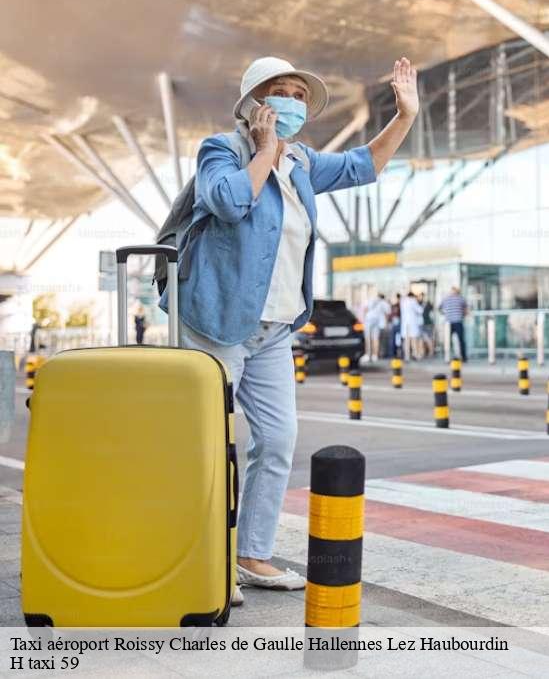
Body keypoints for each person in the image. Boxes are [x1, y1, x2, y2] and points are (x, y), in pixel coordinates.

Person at [159, 55, 419, 606]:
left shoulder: (302, 163)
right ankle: (201, 561)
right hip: (216, 322)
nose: (292, 102)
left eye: (300, 94)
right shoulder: (221, 150)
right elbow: (228, 203)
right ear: (254, 102)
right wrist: (261, 151)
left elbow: (362, 166)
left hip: (275, 329)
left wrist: (405, 116)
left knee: (277, 440)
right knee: (206, 444)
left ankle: (250, 554)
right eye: (280, 91)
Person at [439, 286, 468, 362]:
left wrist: (445, 314)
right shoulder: (460, 298)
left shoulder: (446, 299)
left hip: (449, 322)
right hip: (457, 321)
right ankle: (463, 357)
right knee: (460, 340)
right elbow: (465, 309)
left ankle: (447, 357)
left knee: (448, 341)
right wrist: (462, 315)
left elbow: (439, 308)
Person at [362, 293, 390, 362]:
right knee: (375, 339)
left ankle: (368, 354)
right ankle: (375, 355)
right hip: (377, 321)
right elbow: (387, 313)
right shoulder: (382, 302)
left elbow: (365, 310)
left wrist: (364, 319)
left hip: (368, 320)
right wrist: (386, 323)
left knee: (368, 338)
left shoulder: (369, 300)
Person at [400, 292, 423, 360]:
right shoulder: (413, 301)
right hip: (412, 323)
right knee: (413, 339)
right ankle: (415, 354)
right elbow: (420, 310)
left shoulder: (403, 301)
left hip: (405, 323)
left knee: (406, 340)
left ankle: (406, 355)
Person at [418, 293, 434, 357]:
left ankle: (430, 352)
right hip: (423, 324)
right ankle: (424, 352)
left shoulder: (428, 305)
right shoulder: (420, 304)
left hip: (427, 324)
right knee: (422, 339)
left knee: (428, 339)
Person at [389, 293, 402, 357]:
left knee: (397, 339)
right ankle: (396, 353)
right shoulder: (397, 305)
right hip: (397, 324)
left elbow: (391, 315)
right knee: (397, 339)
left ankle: (396, 353)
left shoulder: (397, 305)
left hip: (397, 324)